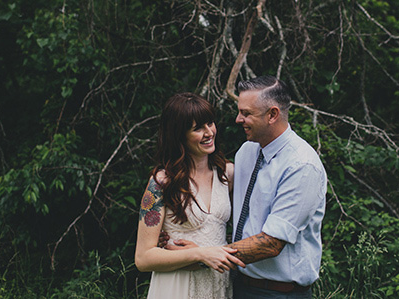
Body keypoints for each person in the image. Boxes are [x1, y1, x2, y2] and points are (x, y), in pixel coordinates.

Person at [167, 76, 327, 298]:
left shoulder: (301, 166)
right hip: (237, 286)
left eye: (246, 113)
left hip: (278, 293)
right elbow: (209, 191)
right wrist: (168, 226)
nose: (237, 119)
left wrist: (202, 255)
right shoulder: (247, 152)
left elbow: (270, 243)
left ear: (272, 114)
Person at [135, 92, 244, 298]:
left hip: (217, 283)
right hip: (178, 285)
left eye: (210, 123)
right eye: (197, 128)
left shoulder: (228, 174)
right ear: (179, 135)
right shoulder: (162, 182)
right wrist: (199, 254)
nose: (209, 132)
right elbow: (143, 258)